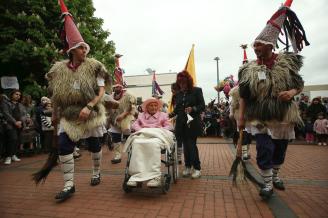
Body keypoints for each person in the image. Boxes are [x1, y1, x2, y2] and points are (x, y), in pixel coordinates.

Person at [237, 0, 309, 199]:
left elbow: (299, 84)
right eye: (254, 45)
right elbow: (243, 95)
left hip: (283, 114)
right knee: (264, 149)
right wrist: (240, 118)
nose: (256, 48)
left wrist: (292, 92)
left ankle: (275, 176)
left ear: (270, 45)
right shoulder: (248, 69)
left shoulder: (286, 64)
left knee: (279, 150)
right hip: (259, 115)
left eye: (259, 45)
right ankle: (267, 184)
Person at [44, 0, 111, 201]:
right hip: (69, 114)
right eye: (81, 48)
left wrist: (90, 106)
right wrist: (55, 115)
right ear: (72, 49)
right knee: (64, 145)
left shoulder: (94, 66)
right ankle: (68, 185)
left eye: (85, 48)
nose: (85, 50)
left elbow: (101, 91)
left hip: (90, 112)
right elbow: (57, 96)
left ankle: (96, 172)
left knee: (94, 145)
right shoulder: (59, 71)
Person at [125, 97, 173, 187]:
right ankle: (136, 175)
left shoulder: (163, 115)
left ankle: (155, 176)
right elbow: (135, 124)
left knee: (154, 144)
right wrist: (142, 130)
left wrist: (160, 130)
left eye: (155, 105)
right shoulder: (141, 115)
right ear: (147, 107)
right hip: (144, 135)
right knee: (136, 143)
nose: (153, 107)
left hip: (157, 136)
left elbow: (169, 126)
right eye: (151, 105)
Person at [169, 71, 205, 179]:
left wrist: (193, 108)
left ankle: (197, 168)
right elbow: (177, 109)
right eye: (180, 83)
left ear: (188, 82)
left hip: (192, 122)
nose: (182, 85)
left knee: (191, 145)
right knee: (185, 146)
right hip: (181, 124)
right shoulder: (178, 94)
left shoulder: (197, 91)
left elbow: (202, 105)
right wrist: (168, 115)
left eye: (183, 83)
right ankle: (188, 167)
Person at [108, 55, 136, 164]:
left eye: (118, 86)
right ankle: (117, 155)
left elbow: (131, 107)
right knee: (115, 137)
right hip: (115, 119)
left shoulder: (128, 95)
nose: (116, 88)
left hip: (126, 119)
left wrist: (123, 116)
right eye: (115, 87)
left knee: (128, 136)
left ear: (122, 86)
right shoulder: (111, 95)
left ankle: (131, 153)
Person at [1, 90, 24, 164]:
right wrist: (15, 122)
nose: (18, 96)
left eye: (19, 95)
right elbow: (6, 114)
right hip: (9, 124)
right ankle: (8, 157)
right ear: (12, 95)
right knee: (12, 139)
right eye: (16, 94)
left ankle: (13, 154)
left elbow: (24, 114)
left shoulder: (20, 104)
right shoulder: (6, 103)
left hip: (19, 125)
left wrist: (21, 121)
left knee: (17, 140)